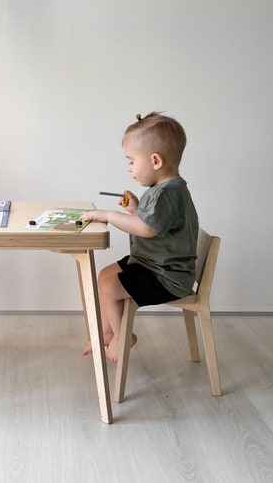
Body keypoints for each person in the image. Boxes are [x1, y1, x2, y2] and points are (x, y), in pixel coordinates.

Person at [81, 112, 199, 362]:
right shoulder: (163, 190)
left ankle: (123, 336)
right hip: (151, 263)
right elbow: (154, 222)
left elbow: (146, 229)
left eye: (132, 161)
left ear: (155, 160)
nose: (130, 168)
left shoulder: (168, 193)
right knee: (104, 275)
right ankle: (106, 331)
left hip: (167, 275)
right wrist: (135, 208)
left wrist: (110, 215)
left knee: (109, 286)